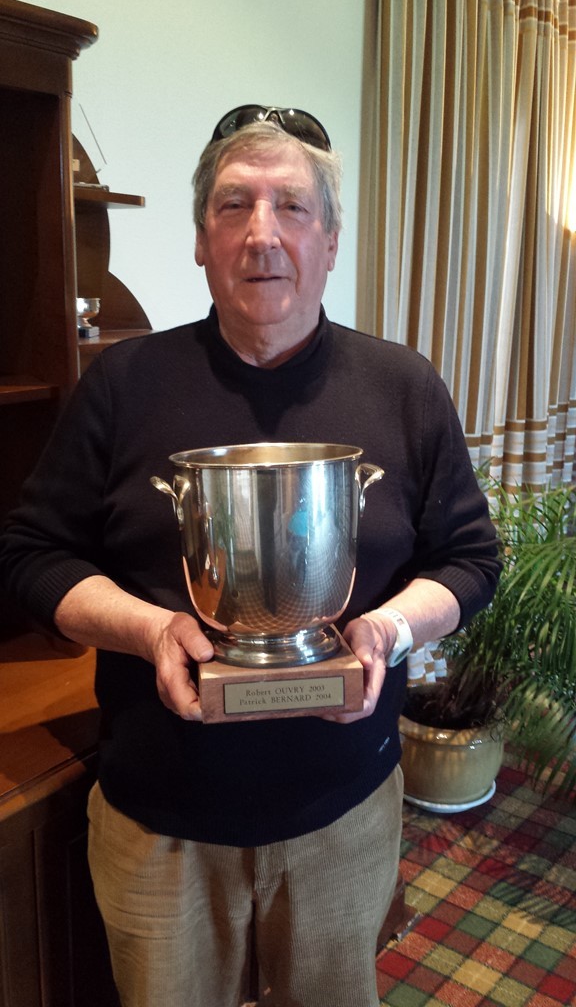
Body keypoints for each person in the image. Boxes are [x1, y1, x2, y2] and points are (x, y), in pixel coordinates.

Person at [0, 104, 501, 1007]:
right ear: (201, 240)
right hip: (160, 827)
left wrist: (388, 629)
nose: (262, 234)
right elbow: (30, 555)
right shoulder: (121, 385)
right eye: (234, 205)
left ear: (331, 241)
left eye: (292, 206)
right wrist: (150, 630)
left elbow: (470, 558)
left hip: (345, 817)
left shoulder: (404, 388)